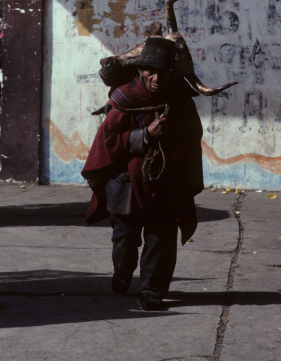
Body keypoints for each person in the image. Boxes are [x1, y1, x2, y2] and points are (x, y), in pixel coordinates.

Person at [81, 37, 204, 310]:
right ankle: (123, 273)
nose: (157, 78)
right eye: (151, 70)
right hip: (125, 184)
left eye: (164, 72)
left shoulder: (181, 102)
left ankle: (152, 290)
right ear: (140, 70)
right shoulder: (124, 99)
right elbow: (106, 144)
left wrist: (174, 156)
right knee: (124, 240)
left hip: (166, 182)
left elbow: (192, 139)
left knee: (161, 237)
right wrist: (144, 136)